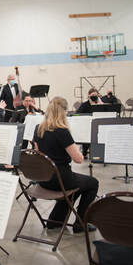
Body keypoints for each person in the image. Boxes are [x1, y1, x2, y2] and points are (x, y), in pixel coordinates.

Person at [32, 97, 99, 233]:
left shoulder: (38, 129)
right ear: (63, 112)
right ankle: (81, 224)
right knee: (92, 183)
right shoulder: (62, 131)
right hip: (60, 179)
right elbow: (79, 159)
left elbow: (38, 153)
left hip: (43, 179)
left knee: (75, 186)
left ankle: (55, 221)